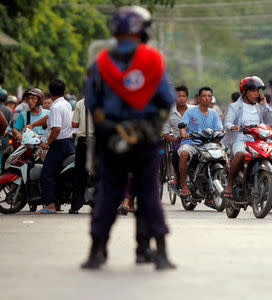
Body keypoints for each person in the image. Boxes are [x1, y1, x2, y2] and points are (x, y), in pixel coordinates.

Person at [82, 6, 176, 270]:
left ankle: (96, 253)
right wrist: (148, 125)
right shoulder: (153, 59)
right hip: (145, 141)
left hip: (110, 139)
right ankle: (160, 254)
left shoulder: (100, 62)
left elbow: (91, 102)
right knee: (148, 194)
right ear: (141, 30)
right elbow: (167, 100)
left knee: (108, 194)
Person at [223, 76, 272, 198]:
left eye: (258, 91)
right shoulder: (235, 106)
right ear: (245, 91)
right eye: (253, 90)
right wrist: (234, 127)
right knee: (240, 154)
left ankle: (269, 187)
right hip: (240, 138)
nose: (257, 94)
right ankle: (230, 184)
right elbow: (227, 123)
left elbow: (271, 121)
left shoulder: (260, 106)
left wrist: (265, 105)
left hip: (259, 140)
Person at [27, 80, 75, 214]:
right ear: (64, 92)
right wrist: (33, 125)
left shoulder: (55, 106)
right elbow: (49, 118)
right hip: (69, 144)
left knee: (46, 174)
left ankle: (50, 205)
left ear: (50, 93)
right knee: (59, 174)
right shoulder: (65, 104)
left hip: (59, 145)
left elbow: (56, 129)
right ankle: (57, 202)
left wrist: (47, 142)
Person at [178, 86, 223, 196]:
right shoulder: (191, 111)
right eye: (204, 96)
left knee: (223, 156)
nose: (207, 98)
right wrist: (183, 132)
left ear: (211, 98)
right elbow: (183, 125)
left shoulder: (214, 113)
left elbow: (219, 129)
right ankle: (183, 185)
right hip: (191, 143)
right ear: (199, 98)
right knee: (184, 154)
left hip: (208, 145)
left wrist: (222, 133)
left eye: (209, 96)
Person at [161, 84, 193, 189]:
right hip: (178, 140)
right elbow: (165, 132)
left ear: (187, 97)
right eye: (179, 96)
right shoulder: (169, 112)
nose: (181, 99)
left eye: (184, 96)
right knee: (176, 152)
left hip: (195, 139)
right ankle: (178, 177)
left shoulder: (193, 110)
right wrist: (175, 139)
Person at [69, 98, 94, 213]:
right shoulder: (106, 99)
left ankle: (75, 205)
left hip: (83, 142)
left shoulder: (80, 102)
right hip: (98, 142)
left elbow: (74, 123)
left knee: (79, 174)